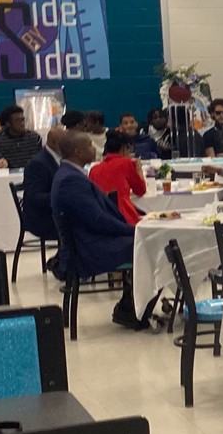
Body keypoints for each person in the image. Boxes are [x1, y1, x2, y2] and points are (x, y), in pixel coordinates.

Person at [50, 131, 138, 328]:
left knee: (148, 243)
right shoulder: (70, 180)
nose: (95, 149)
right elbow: (97, 220)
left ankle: (132, 303)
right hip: (89, 248)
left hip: (88, 240)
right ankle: (132, 308)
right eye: (90, 145)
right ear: (78, 151)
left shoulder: (69, 174)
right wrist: (132, 230)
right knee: (152, 245)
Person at [88, 130, 146, 227]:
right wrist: (139, 169)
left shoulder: (94, 169)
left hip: (101, 218)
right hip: (123, 216)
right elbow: (140, 190)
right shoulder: (126, 163)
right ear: (124, 148)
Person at [21, 126, 66, 242]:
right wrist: (62, 196)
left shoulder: (63, 159)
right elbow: (34, 197)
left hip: (58, 212)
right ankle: (65, 258)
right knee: (81, 225)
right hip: (42, 217)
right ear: (55, 143)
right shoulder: (38, 164)